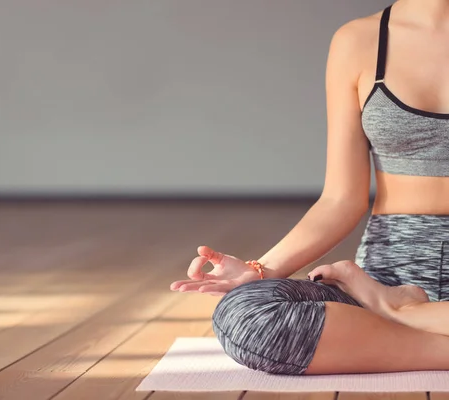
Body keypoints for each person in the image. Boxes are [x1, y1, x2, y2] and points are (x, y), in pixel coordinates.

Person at [171, 0, 449, 375]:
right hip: (384, 278)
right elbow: (340, 198)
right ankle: (412, 323)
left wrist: (396, 311)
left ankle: (402, 316)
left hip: (384, 302)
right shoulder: (359, 41)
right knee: (247, 315)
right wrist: (261, 269)